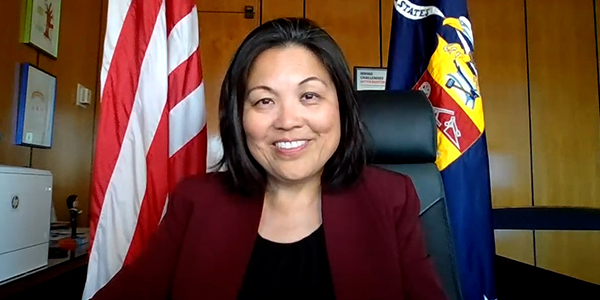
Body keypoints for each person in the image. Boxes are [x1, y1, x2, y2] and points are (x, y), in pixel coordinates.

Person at [90, 17, 447, 300]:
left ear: (341, 108)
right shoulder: (196, 201)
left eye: (309, 96)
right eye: (264, 101)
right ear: (238, 117)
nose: (288, 121)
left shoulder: (391, 197)